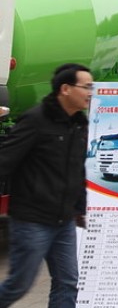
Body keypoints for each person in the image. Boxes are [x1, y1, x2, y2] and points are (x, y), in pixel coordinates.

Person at [0, 63, 93, 307]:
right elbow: (5, 160)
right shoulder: (36, 120)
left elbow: (77, 168)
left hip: (64, 220)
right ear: (65, 89)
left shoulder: (79, 124)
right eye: (86, 87)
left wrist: (79, 207)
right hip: (32, 219)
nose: (90, 93)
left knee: (68, 281)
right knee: (18, 285)